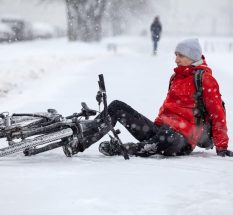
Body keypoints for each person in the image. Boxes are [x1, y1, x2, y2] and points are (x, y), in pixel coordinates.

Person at [65, 38, 233, 158]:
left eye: (180, 55)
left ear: (192, 57)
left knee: (167, 136)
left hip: (182, 140)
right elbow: (168, 108)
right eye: (176, 55)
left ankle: (123, 148)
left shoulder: (205, 79)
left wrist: (222, 147)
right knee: (116, 107)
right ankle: (79, 142)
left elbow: (217, 115)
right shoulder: (176, 77)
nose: (176, 59)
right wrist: (157, 125)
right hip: (161, 132)